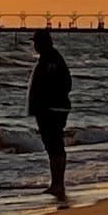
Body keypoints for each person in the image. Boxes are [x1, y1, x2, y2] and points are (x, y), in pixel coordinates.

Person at [27, 28, 72, 203]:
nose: (35, 46)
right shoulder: (50, 58)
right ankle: (57, 183)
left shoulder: (52, 60)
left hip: (52, 110)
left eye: (36, 42)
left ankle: (58, 184)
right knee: (54, 147)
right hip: (51, 110)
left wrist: (48, 102)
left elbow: (65, 84)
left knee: (54, 147)